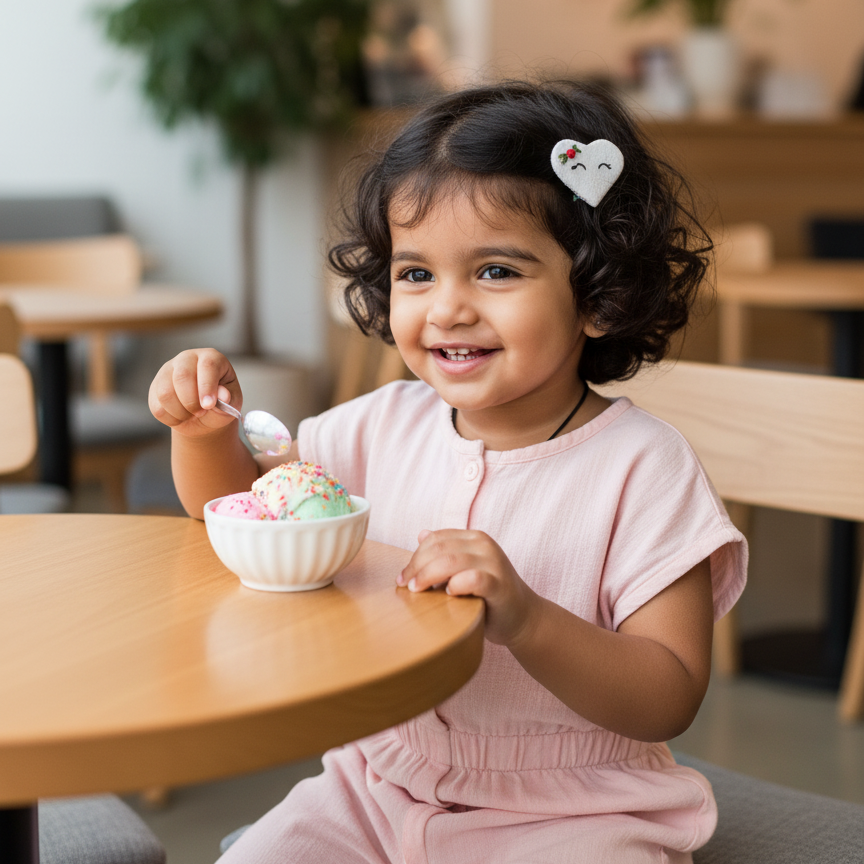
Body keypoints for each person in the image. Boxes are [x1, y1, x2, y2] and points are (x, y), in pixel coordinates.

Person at [149, 80, 747, 864]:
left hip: (573, 815)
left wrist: (528, 620)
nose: (448, 309)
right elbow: (237, 508)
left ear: (599, 296)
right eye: (416, 273)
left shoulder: (643, 466)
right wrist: (200, 433)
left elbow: (669, 692)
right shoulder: (377, 424)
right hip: (376, 787)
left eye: (496, 271)